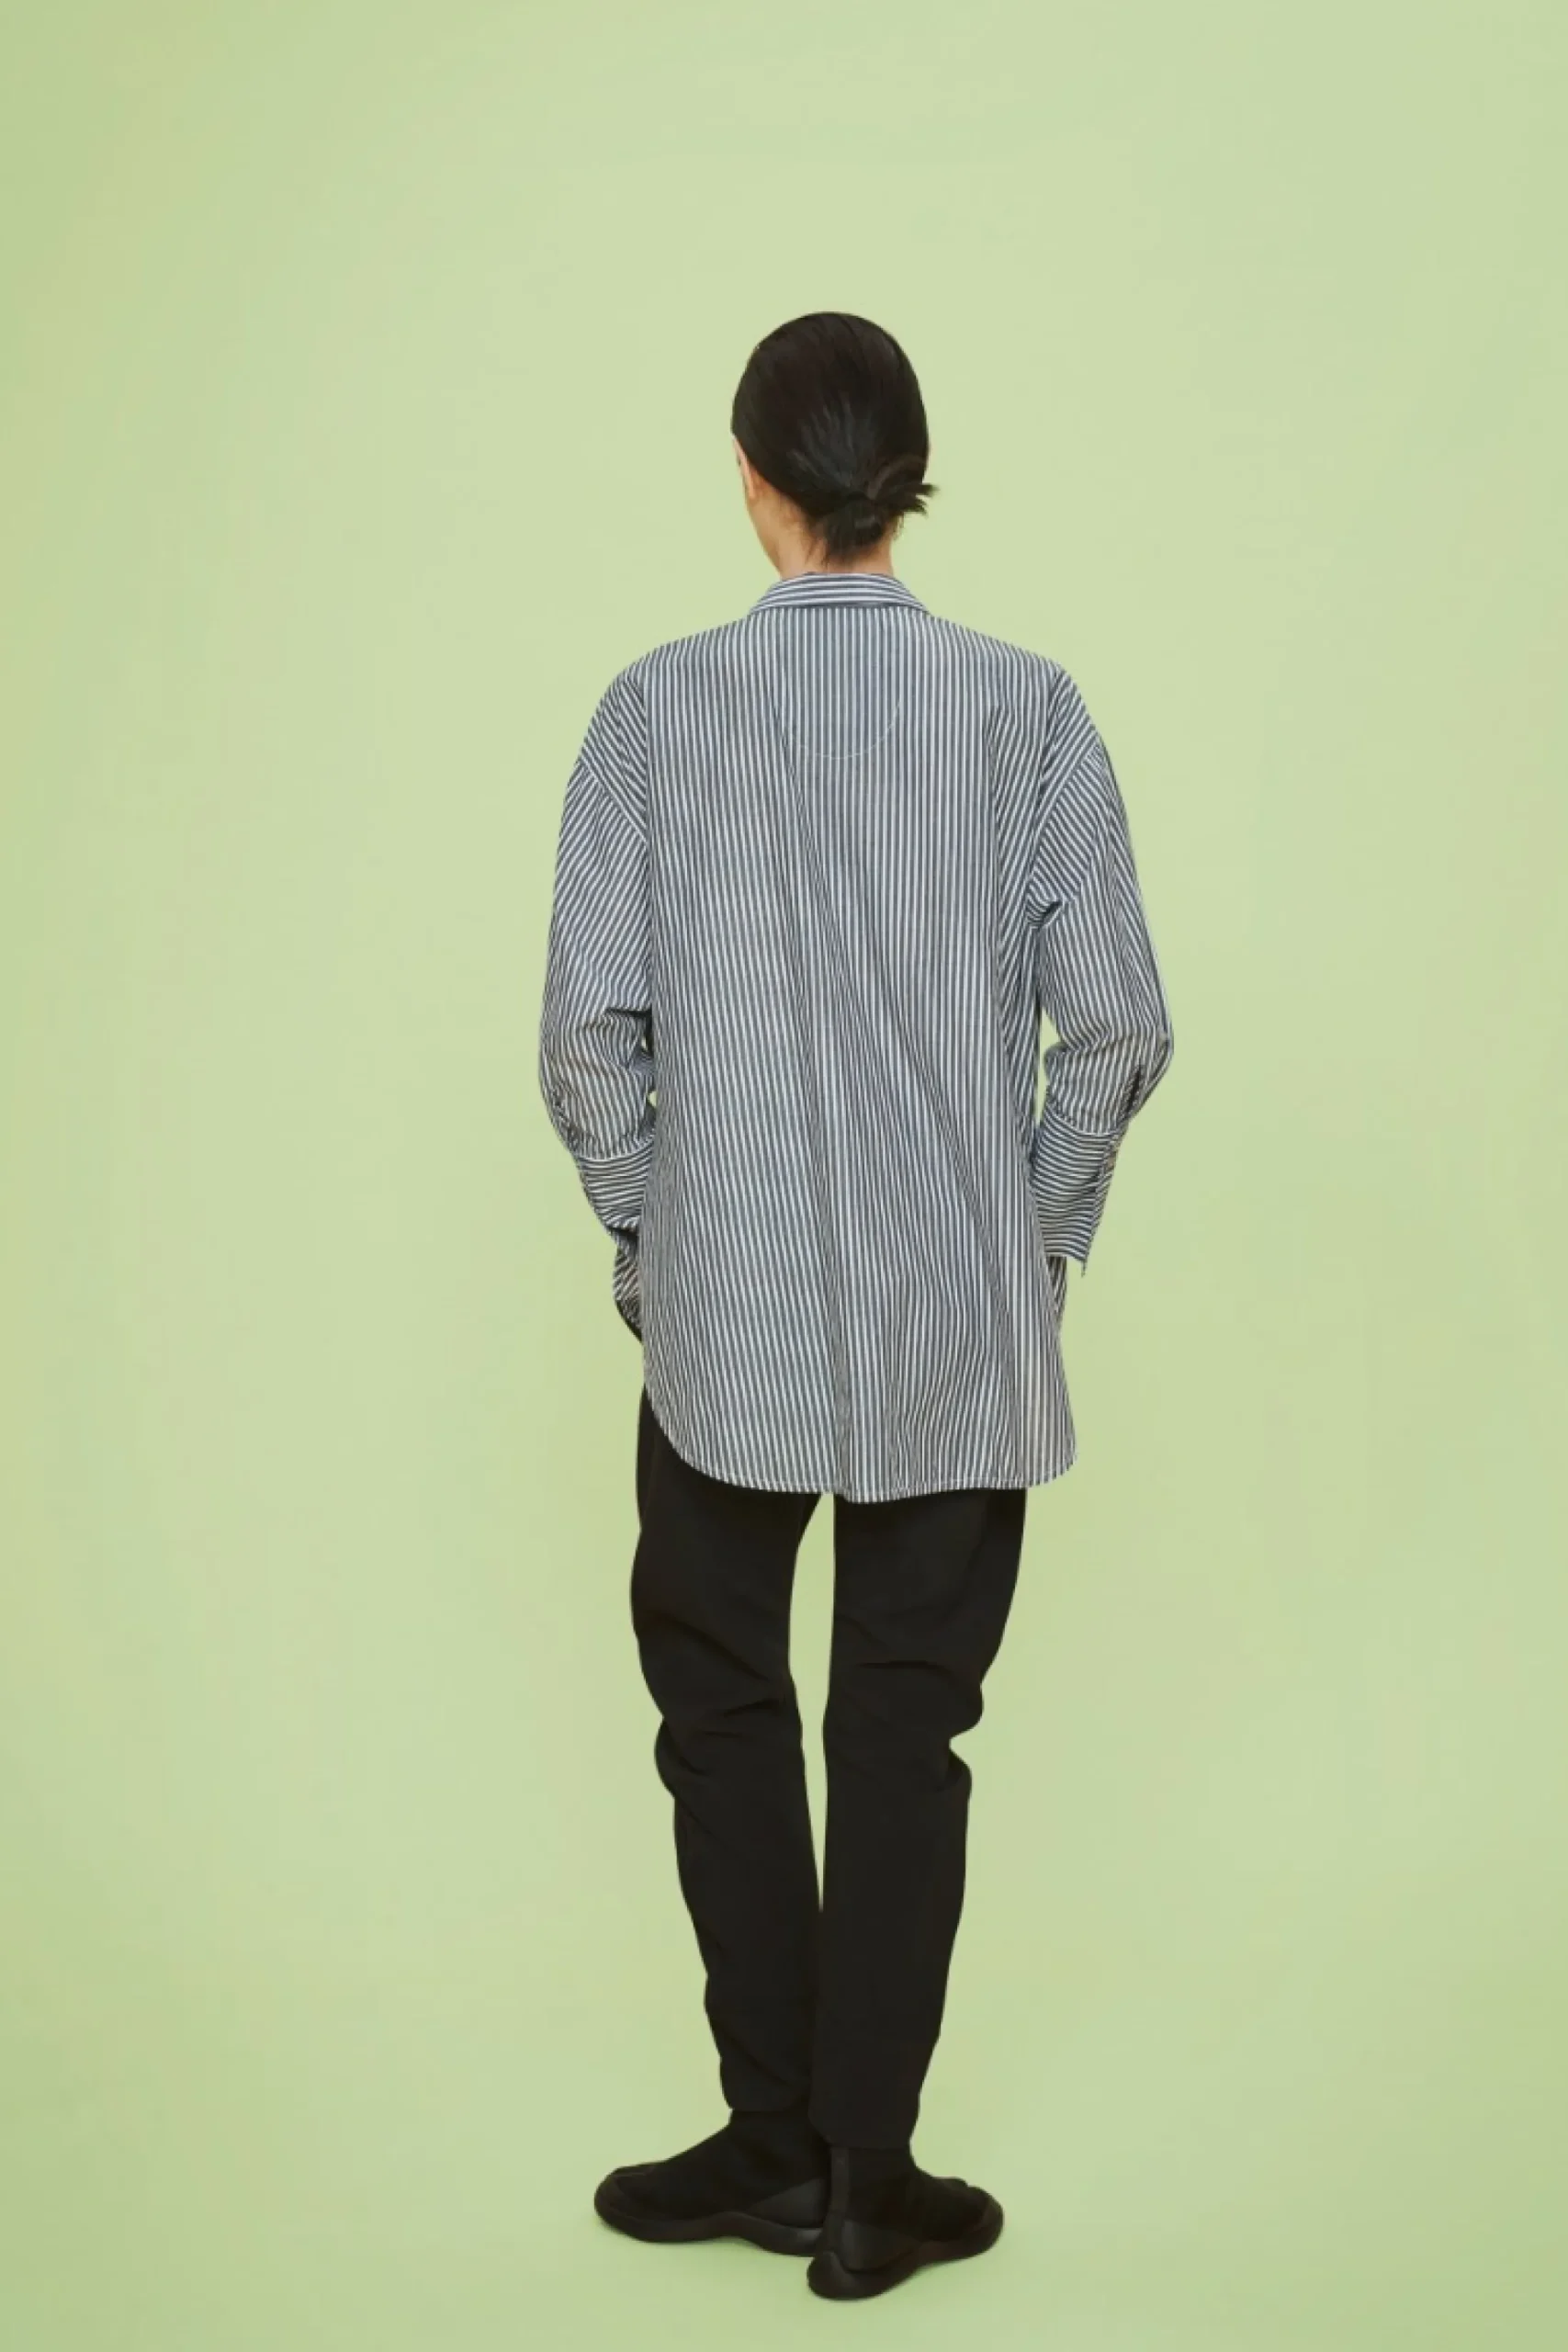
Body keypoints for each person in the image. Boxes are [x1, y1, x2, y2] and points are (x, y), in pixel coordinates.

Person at [536, 311, 1175, 2301]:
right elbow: (1120, 1028)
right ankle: (860, 2182)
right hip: (954, 1333)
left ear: (751, 477)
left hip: (719, 1337)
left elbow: (585, 1042)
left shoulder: (652, 710)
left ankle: (770, 2134)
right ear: (906, 484)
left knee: (721, 1711)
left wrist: (659, 1249)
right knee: (903, 1731)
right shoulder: (1026, 709)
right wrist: (1029, 1244)